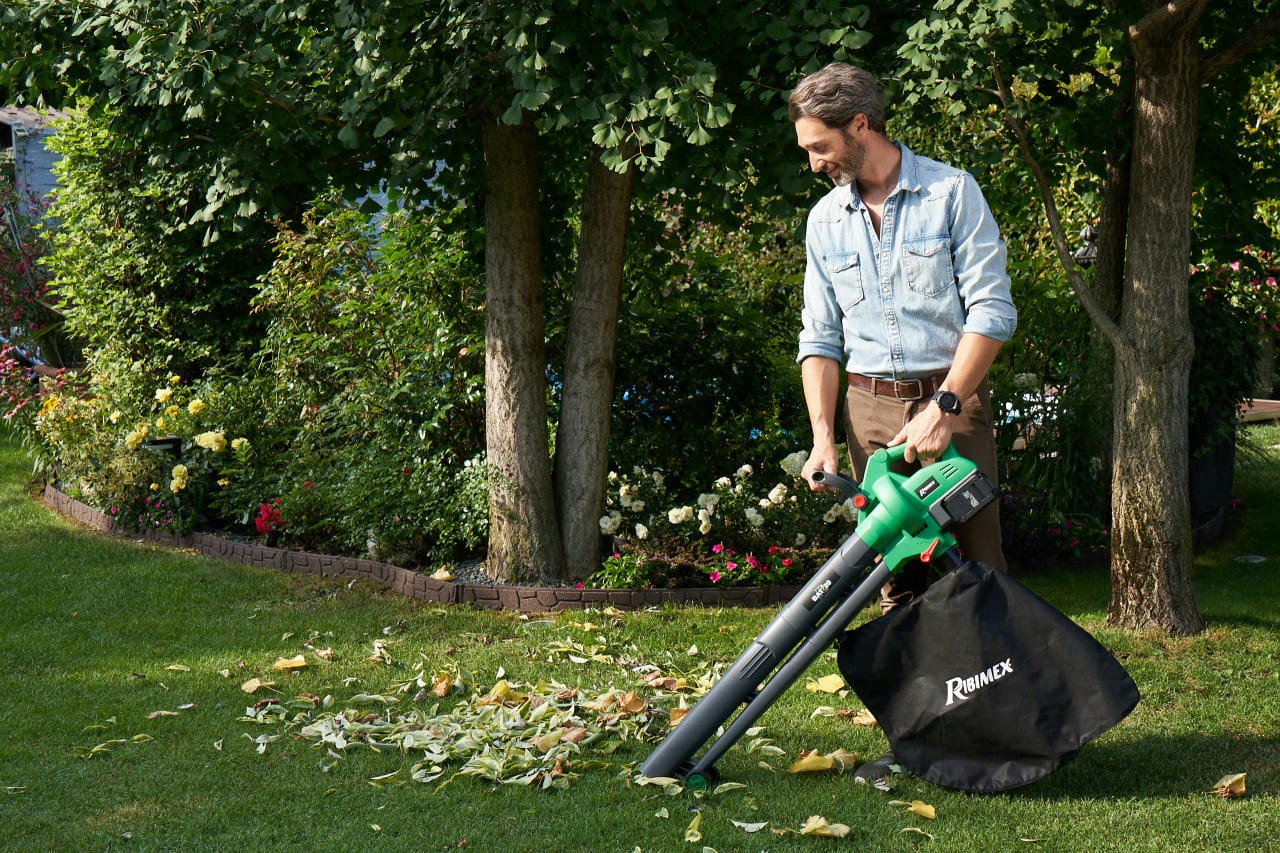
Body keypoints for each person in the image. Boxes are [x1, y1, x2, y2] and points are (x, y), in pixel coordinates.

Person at [788, 61, 1017, 784]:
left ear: (861, 126)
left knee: (973, 571)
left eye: (820, 146)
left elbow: (992, 311)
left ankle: (1002, 736)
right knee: (896, 579)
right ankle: (918, 739)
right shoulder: (825, 220)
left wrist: (947, 406)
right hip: (869, 413)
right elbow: (819, 337)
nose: (815, 162)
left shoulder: (952, 193)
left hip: (953, 399)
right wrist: (825, 435)